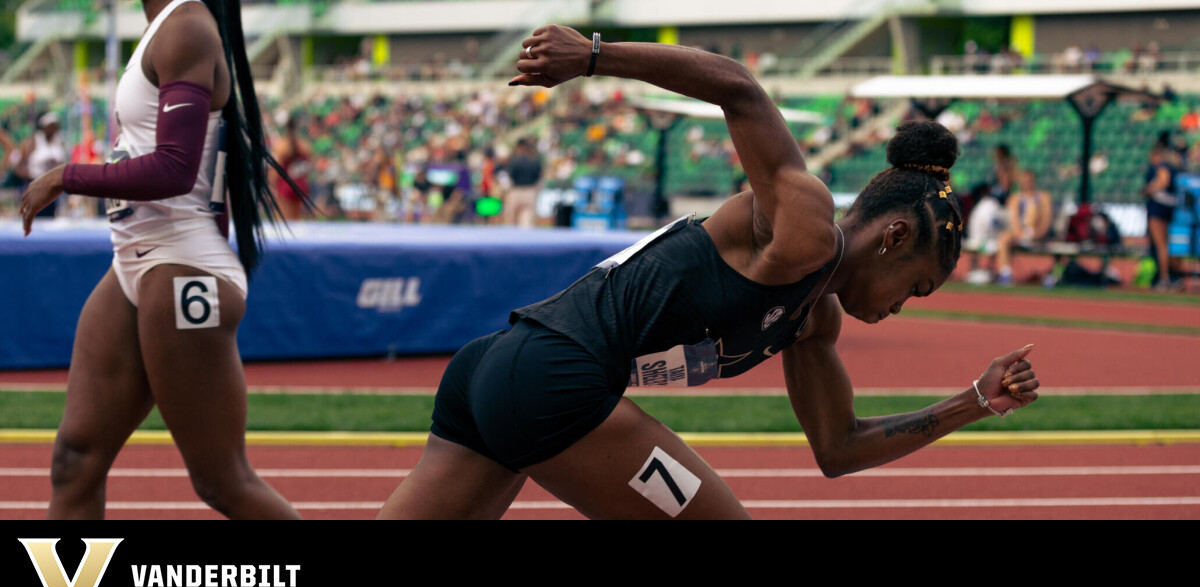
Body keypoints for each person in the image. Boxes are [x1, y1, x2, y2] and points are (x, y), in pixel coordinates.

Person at [377, 25, 1041, 520]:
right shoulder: (805, 224)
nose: (902, 307)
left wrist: (973, 402)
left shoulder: (814, 321)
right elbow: (739, 88)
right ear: (893, 237)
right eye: (916, 286)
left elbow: (838, 448)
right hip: (554, 378)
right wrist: (596, 57)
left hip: (496, 372)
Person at [19, 0, 308, 520]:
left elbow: (175, 170)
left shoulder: (187, 27)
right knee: (74, 460)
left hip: (179, 266)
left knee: (222, 481)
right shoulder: (165, 28)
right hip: (134, 259)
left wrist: (66, 176)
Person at [994, 170, 1054, 286]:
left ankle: (1050, 276)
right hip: (1020, 235)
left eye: (1029, 180)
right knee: (1003, 239)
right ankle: (1005, 273)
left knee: (1033, 208)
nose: (1027, 183)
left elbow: (1046, 220)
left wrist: (1037, 234)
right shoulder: (1015, 198)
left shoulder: (1043, 197)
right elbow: (1014, 221)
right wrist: (1021, 235)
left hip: (1038, 233)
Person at [1142, 142, 1179, 289]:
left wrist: (1149, 189)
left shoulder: (1162, 166)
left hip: (1158, 207)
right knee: (1165, 244)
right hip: (1168, 206)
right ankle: (1170, 275)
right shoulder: (1172, 165)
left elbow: (1163, 181)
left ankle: (1164, 278)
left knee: (1160, 245)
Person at [15, 112, 67, 219]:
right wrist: (30, 175)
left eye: (55, 126)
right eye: (51, 126)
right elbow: (19, 167)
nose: (54, 129)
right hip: (35, 184)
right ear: (44, 127)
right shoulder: (33, 141)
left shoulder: (58, 142)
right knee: (35, 216)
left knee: (49, 218)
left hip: (52, 187)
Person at [270, 114, 312, 221]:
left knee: (283, 220)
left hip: (285, 185)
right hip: (300, 184)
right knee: (296, 219)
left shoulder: (281, 145)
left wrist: (271, 185)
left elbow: (275, 170)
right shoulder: (304, 144)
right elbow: (307, 167)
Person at [503, 137, 542, 227]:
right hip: (530, 192)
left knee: (511, 222)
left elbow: (509, 178)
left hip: (515, 191)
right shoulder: (534, 160)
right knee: (527, 223)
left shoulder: (514, 160)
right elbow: (538, 178)